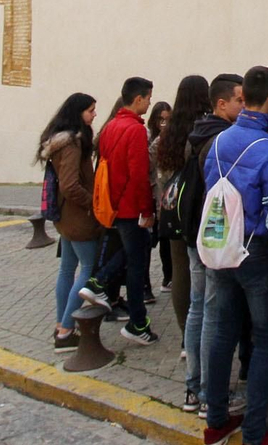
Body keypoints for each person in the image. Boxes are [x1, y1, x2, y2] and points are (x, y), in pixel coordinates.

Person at [201, 66, 268, 445]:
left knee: (224, 331)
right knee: (265, 338)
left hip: (223, 246)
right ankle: (255, 433)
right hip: (256, 251)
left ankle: (217, 419)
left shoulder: (220, 140)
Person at [180, 74, 242, 415]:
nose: (243, 107)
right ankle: (208, 393)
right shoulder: (222, 138)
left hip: (195, 231)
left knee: (197, 307)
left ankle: (194, 388)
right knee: (214, 314)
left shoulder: (196, 132)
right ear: (221, 104)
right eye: (239, 101)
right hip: (214, 234)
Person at [37, 92, 101, 352]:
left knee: (67, 269)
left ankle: (60, 324)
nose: (94, 114)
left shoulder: (59, 141)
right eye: (90, 110)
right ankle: (65, 332)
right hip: (79, 218)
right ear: (78, 113)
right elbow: (70, 185)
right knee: (87, 269)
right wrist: (93, 204)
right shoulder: (73, 144)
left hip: (65, 217)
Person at [98, 76, 158, 344]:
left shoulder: (111, 126)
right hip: (132, 207)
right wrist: (147, 210)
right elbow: (139, 175)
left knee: (133, 254)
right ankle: (136, 321)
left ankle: (100, 284)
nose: (149, 103)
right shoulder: (134, 130)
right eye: (148, 98)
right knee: (136, 264)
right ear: (138, 99)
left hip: (116, 205)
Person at [156, 76, 210, 347]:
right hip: (196, 206)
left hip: (172, 205)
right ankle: (198, 335)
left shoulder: (170, 130)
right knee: (201, 271)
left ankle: (184, 337)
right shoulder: (203, 127)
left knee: (179, 270)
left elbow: (162, 171)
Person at [148, 99, 174, 294]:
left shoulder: (170, 139)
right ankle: (166, 277)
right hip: (157, 195)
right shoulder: (153, 142)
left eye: (167, 119)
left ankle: (170, 276)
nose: (163, 124)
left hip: (167, 195)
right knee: (161, 239)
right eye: (160, 120)